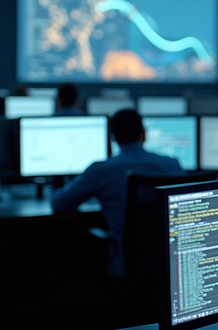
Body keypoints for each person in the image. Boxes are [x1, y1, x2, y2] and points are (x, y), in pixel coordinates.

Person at [52, 109, 183, 278]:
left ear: (113, 137)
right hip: (173, 266)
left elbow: (59, 204)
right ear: (144, 134)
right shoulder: (173, 166)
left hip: (127, 265)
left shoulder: (102, 170)